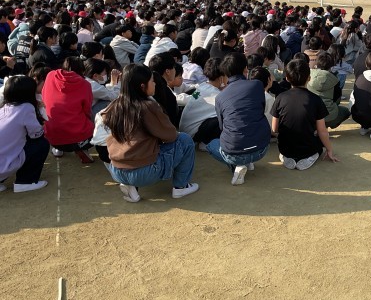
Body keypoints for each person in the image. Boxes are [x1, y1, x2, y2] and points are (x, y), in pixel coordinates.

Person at [102, 64, 199, 203]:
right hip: (144, 173)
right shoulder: (147, 106)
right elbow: (170, 135)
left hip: (116, 170)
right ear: (142, 86)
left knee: (135, 147)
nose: (155, 84)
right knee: (184, 139)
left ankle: (131, 187)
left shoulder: (115, 105)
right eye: (152, 81)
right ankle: (181, 187)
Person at [205, 52, 271, 185]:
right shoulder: (257, 85)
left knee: (211, 145)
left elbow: (222, 127)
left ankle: (237, 166)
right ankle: (246, 161)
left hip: (234, 152)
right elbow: (260, 110)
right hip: (261, 148)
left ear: (225, 73)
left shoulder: (220, 97)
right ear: (245, 68)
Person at [271, 58, 338, 170]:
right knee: (318, 139)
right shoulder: (316, 100)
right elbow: (322, 131)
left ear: (287, 78)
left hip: (285, 147)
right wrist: (329, 149)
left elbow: (274, 128)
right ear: (309, 78)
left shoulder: (280, 97)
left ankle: (287, 157)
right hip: (308, 148)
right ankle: (308, 158)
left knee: (289, 139)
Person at [0, 75, 50, 193]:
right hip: (3, 166)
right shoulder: (26, 108)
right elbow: (36, 133)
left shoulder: (4, 107)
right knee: (41, 144)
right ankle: (25, 181)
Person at [42, 57, 95, 163]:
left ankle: (58, 149)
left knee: (55, 117)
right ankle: (82, 147)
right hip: (77, 136)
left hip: (51, 135)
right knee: (95, 120)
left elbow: (44, 96)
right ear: (82, 70)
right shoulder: (85, 84)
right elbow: (87, 110)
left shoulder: (50, 75)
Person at [307, 51, 350, 129]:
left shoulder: (308, 75)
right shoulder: (335, 80)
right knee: (346, 111)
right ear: (331, 66)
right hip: (329, 115)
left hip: (310, 114)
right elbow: (337, 99)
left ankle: (315, 128)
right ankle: (327, 126)